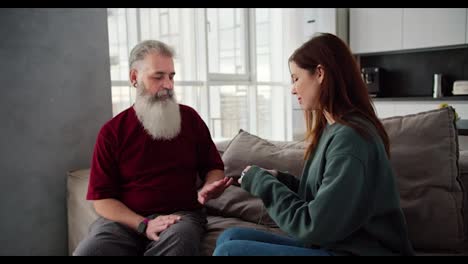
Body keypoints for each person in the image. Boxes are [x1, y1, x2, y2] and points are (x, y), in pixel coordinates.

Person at [213, 33, 415, 256]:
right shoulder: (333, 130)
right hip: (337, 243)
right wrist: (280, 179)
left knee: (231, 252)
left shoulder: (351, 139)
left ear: (319, 73)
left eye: (296, 78)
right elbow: (327, 198)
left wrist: (265, 185)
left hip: (358, 251)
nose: (292, 89)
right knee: (229, 236)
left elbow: (313, 225)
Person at [74, 40, 233, 256]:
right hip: (127, 221)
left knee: (180, 242)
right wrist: (143, 224)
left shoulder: (191, 119)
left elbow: (213, 167)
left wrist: (210, 186)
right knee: (89, 252)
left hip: (181, 216)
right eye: (158, 76)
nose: (168, 85)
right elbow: (102, 201)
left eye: (171, 76)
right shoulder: (112, 131)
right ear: (134, 78)